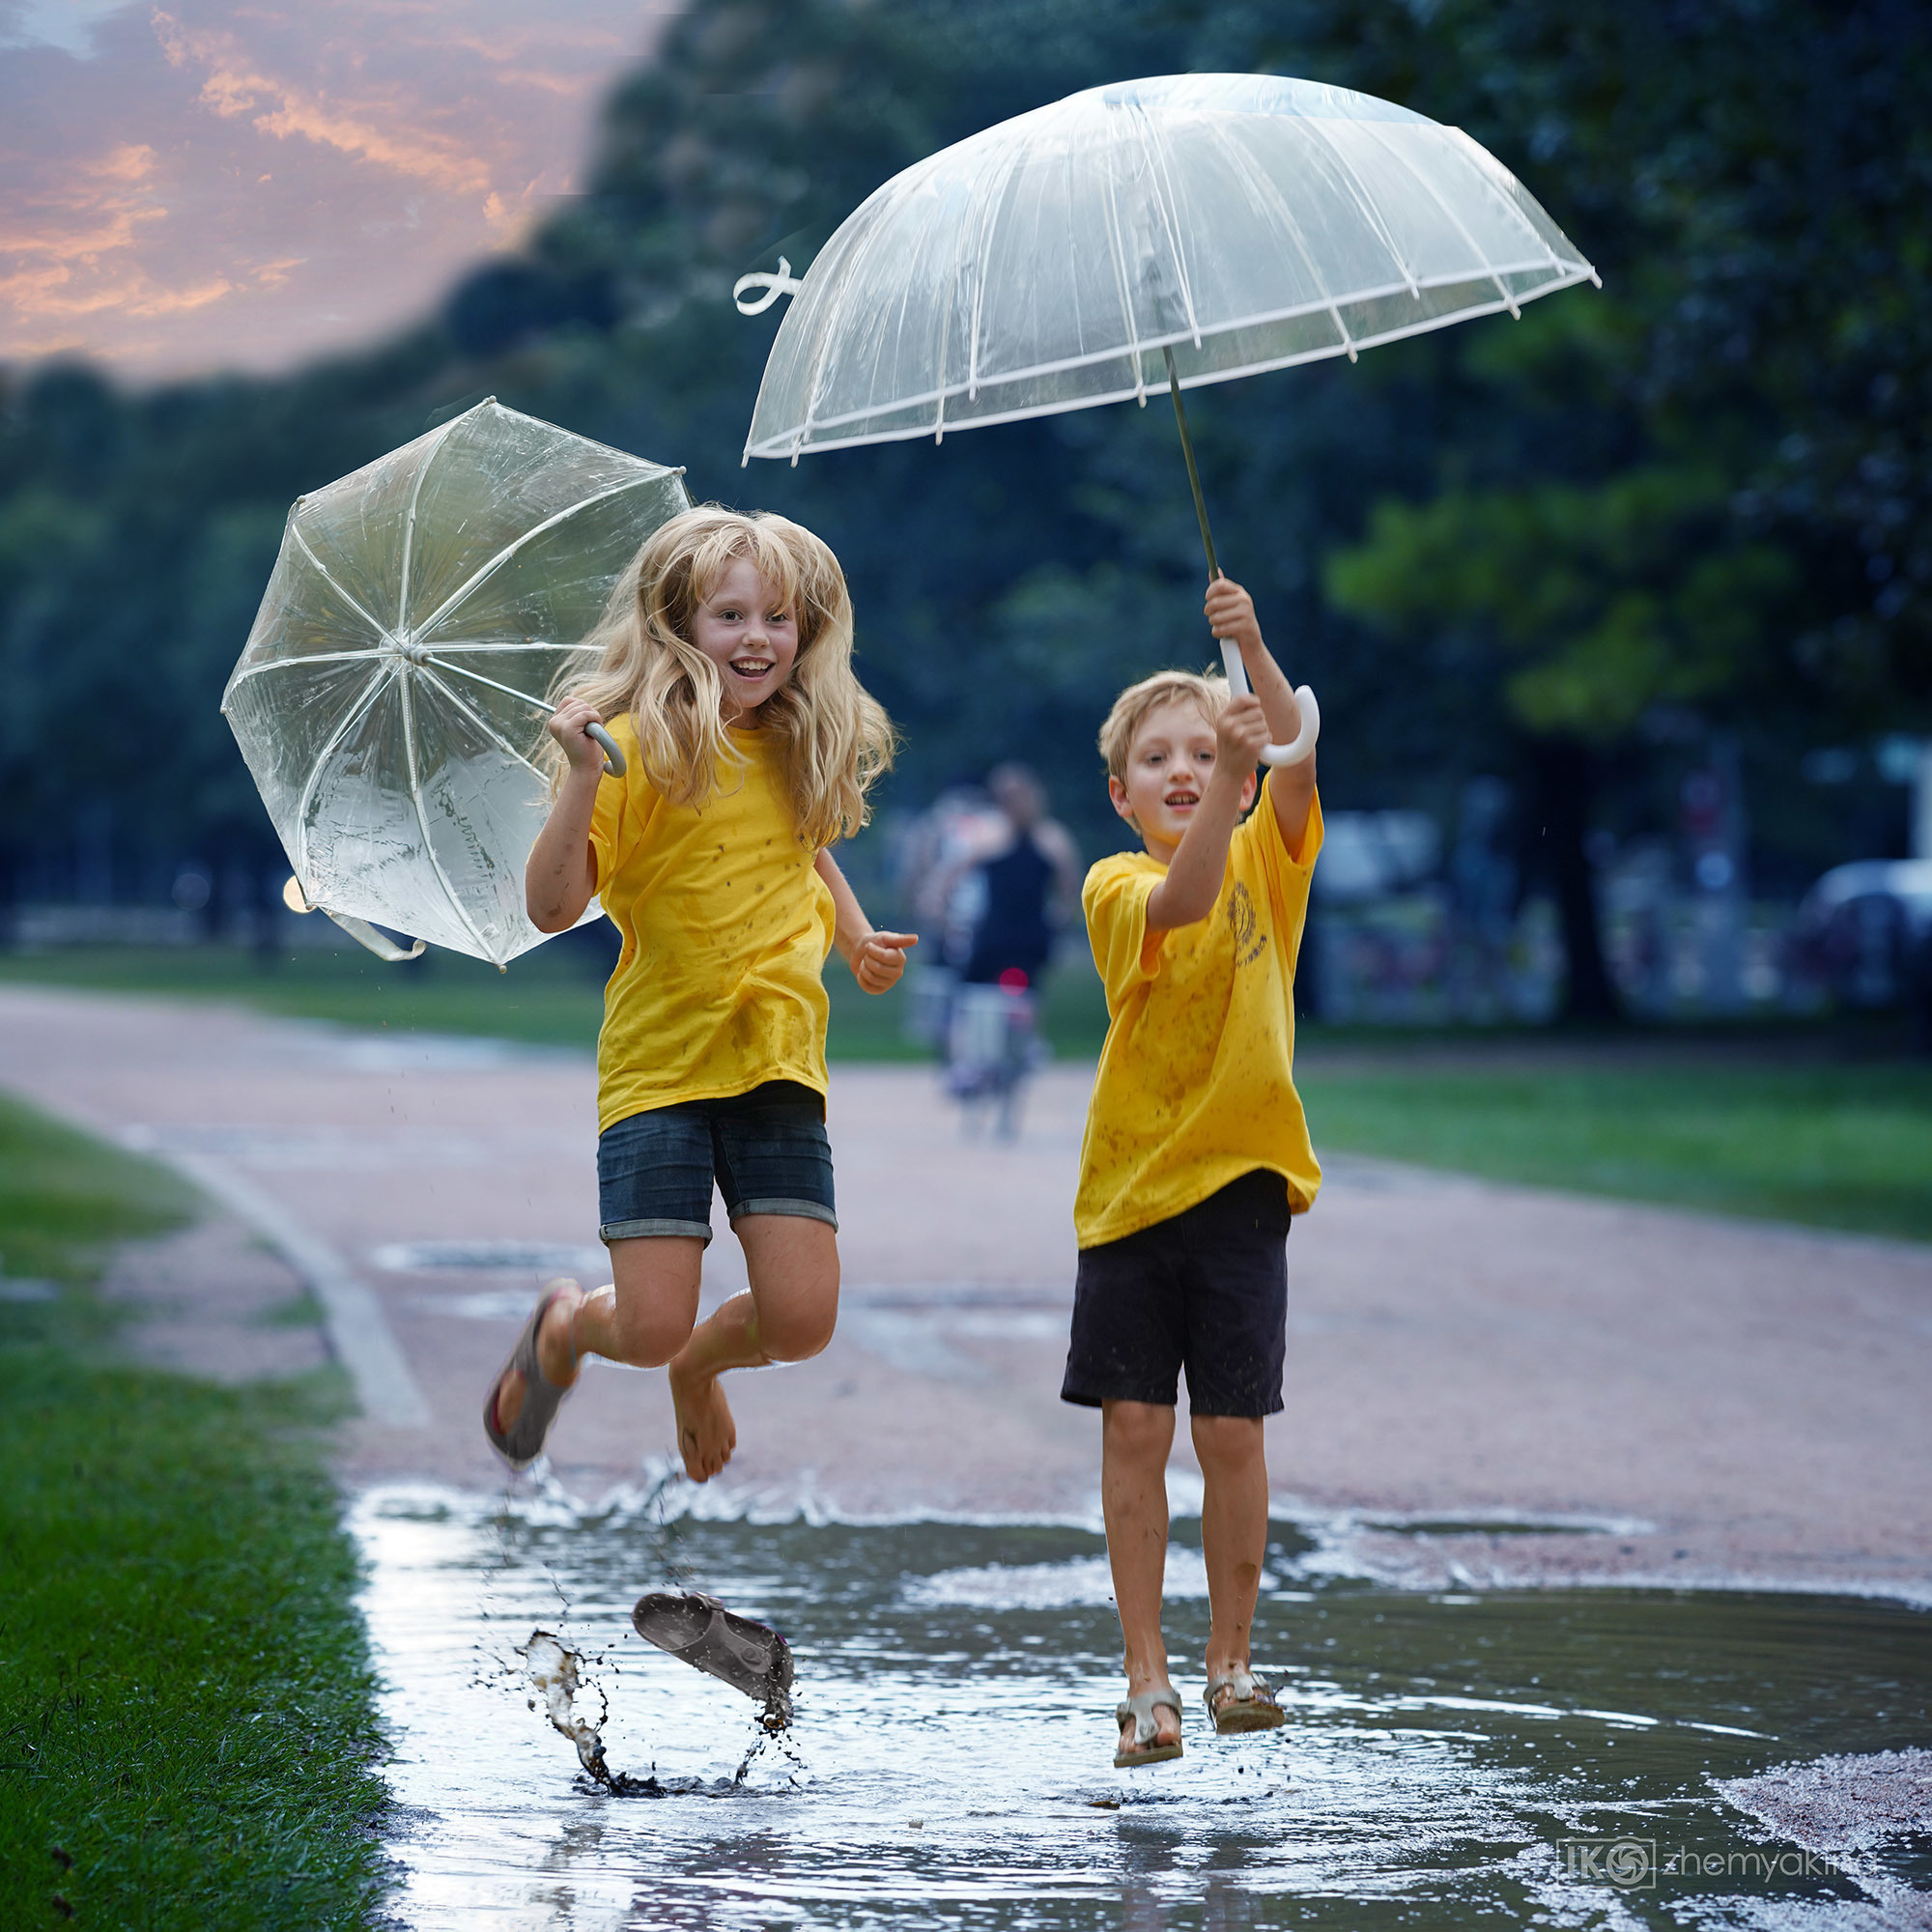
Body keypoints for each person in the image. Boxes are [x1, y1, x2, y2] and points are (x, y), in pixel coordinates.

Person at [485, 507, 914, 1483]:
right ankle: (566, 1326)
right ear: (678, 626)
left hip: (775, 1060)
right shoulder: (631, 750)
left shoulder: (798, 741)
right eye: (730, 616)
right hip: (662, 1069)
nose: (757, 638)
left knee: (801, 1321)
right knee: (648, 1326)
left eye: (777, 618)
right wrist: (580, 775)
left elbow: (805, 846)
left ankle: (701, 1365)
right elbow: (551, 907)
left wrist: (854, 935)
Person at [1060, 575, 1321, 1770]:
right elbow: (1186, 891)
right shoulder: (1114, 886)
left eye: (1200, 753)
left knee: (1230, 1429)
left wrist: (1250, 647)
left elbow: (1294, 755)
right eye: (1155, 759)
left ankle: (1230, 1660)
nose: (1183, 770)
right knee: (1133, 1427)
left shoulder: (1276, 849)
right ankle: (1144, 1676)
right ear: (1120, 794)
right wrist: (1231, 764)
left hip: (1242, 1188)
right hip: (1128, 1197)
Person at [957, 764, 1081, 990]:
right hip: (1003, 936)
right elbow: (953, 875)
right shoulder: (989, 835)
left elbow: (1069, 891)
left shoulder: (1050, 839)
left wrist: (1058, 923)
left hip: (1019, 938)